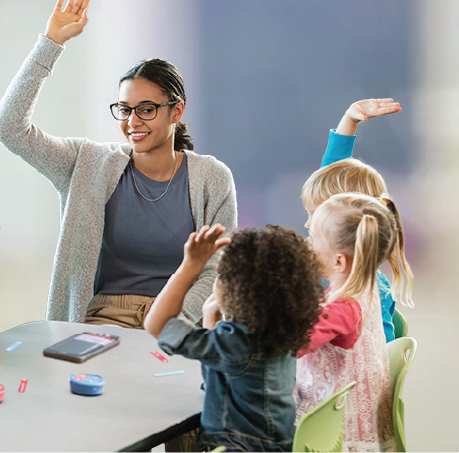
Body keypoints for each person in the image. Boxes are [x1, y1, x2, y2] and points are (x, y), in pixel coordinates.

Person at [0, 0, 237, 327]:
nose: (133, 122)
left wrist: (171, 324)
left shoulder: (212, 178)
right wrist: (51, 42)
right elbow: (8, 127)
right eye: (124, 109)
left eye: (146, 110)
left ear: (176, 111)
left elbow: (216, 269)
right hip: (105, 320)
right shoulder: (87, 163)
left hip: (180, 324)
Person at [144, 224, 323, 452]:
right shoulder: (283, 333)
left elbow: (156, 324)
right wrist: (213, 318)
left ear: (236, 290)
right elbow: (220, 378)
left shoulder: (235, 344)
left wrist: (191, 266)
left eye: (220, 276)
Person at [297, 193, 412, 451]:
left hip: (337, 432)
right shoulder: (364, 287)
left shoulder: (343, 308)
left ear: (339, 261)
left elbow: (292, 345)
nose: (306, 244)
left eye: (313, 239)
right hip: (351, 414)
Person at [307, 98, 411, 341]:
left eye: (317, 215)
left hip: (348, 379)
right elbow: (331, 174)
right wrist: (349, 120)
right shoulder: (348, 266)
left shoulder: (345, 284)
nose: (309, 225)